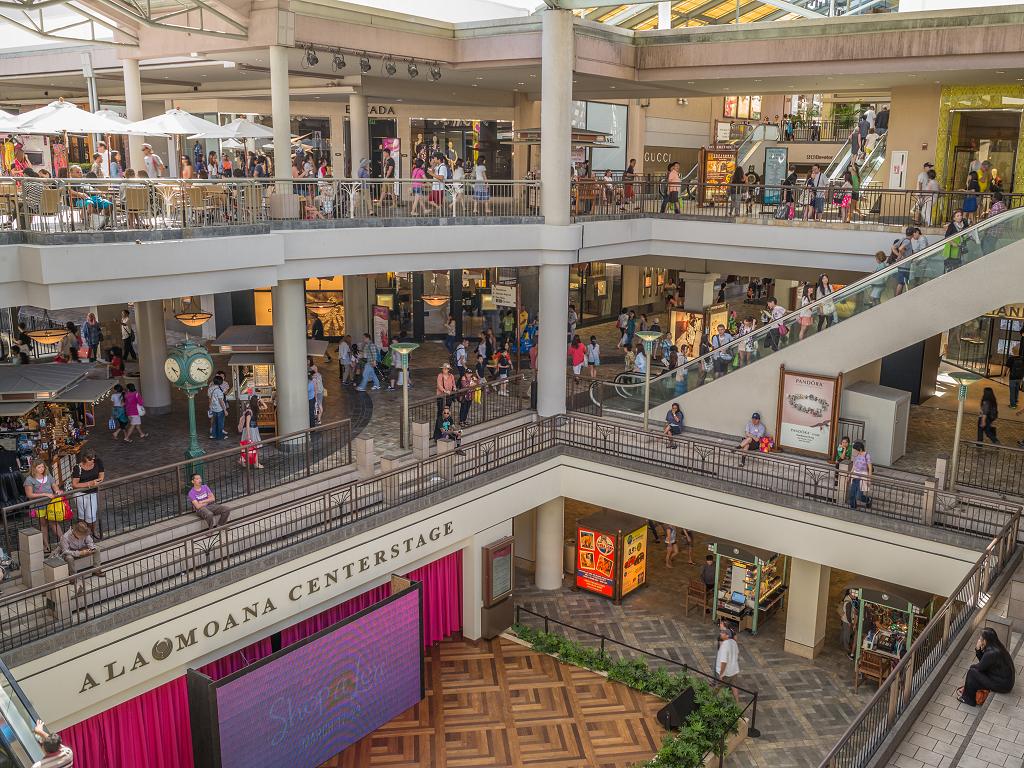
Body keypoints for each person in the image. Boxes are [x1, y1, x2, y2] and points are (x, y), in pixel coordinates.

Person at [957, 628, 1015, 706]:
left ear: (985, 640)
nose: (979, 640)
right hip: (1004, 681)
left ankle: (968, 699)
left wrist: (977, 649)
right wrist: (979, 651)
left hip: (1002, 685)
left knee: (972, 672)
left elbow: (980, 667)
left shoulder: (991, 653)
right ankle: (969, 689)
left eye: (981, 638)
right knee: (974, 671)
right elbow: (984, 663)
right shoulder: (997, 647)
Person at [24, 458, 65, 549]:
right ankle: (46, 545)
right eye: (39, 467)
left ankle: (64, 541)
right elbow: (29, 494)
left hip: (51, 504)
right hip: (40, 505)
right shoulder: (29, 480)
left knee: (54, 522)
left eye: (43, 466)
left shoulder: (48, 475)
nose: (42, 469)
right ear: (34, 468)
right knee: (43, 525)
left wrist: (57, 491)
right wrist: (45, 494)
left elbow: (53, 485)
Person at [71, 450, 104, 540]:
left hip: (92, 493)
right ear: (85, 459)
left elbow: (101, 477)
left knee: (91, 515)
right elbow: (75, 484)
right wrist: (90, 484)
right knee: (82, 516)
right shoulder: (78, 468)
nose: (92, 461)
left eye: (93, 459)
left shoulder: (98, 462)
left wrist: (96, 482)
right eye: (90, 460)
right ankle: (83, 533)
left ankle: (92, 531)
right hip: (80, 493)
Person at [239, 394, 265, 468]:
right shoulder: (249, 411)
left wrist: (261, 401)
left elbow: (265, 407)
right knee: (254, 446)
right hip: (250, 430)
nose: (258, 403)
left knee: (249, 446)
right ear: (255, 402)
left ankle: (243, 460)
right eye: (257, 401)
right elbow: (247, 424)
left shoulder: (255, 409)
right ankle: (256, 463)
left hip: (254, 429)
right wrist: (248, 435)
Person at [716, 625, 741, 702]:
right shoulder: (733, 642)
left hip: (726, 673)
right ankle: (737, 704)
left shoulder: (724, 645)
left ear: (727, 636)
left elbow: (723, 662)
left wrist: (721, 674)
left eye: (723, 633)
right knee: (734, 687)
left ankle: (711, 700)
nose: (721, 633)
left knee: (718, 687)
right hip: (734, 670)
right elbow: (737, 653)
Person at [435, 363, 458, 439]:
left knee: (447, 413)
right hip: (441, 397)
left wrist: (454, 388)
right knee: (440, 414)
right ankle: (438, 435)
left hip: (448, 397)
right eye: (444, 368)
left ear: (448, 370)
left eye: (446, 368)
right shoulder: (440, 376)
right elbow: (439, 385)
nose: (444, 369)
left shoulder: (451, 376)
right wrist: (445, 391)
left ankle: (446, 433)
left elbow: (453, 384)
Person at [848, 440, 872, 509]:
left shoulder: (867, 455)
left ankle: (868, 500)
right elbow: (854, 466)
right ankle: (853, 508)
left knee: (859, 496)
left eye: (855, 450)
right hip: (855, 475)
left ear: (860, 449)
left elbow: (870, 468)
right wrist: (849, 475)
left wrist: (869, 479)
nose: (854, 452)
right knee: (852, 494)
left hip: (863, 476)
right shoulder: (856, 455)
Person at [208, 374, 227, 440]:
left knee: (214, 422)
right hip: (219, 409)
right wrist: (225, 410)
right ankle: (220, 436)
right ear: (220, 382)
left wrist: (210, 406)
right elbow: (221, 401)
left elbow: (209, 399)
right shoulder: (219, 390)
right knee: (220, 423)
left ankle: (214, 435)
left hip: (213, 408)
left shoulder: (210, 389)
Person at [839, 589, 857, 659]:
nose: (855, 596)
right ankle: (846, 647)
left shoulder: (846, 598)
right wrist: (850, 622)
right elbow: (848, 614)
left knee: (843, 631)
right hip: (846, 620)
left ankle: (840, 643)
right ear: (850, 594)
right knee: (847, 634)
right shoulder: (849, 602)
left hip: (843, 619)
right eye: (854, 594)